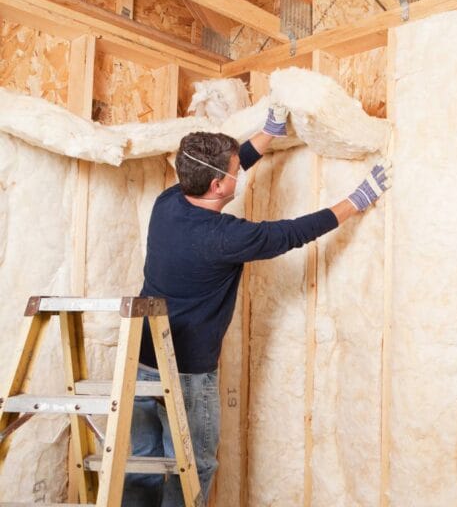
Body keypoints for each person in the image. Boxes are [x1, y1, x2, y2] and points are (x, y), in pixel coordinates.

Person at [122, 104, 391, 506]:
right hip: (186, 374)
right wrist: (357, 199)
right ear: (217, 186)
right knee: (192, 467)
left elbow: (219, 169)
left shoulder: (168, 202)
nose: (239, 174)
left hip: (140, 359)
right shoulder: (226, 237)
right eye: (235, 171)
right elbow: (294, 232)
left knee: (142, 462)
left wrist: (268, 133)